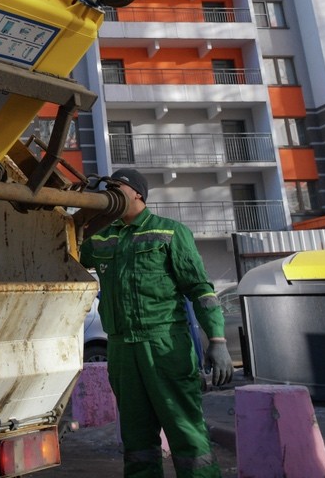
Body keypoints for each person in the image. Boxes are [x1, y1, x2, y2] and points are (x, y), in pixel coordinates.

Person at [79, 168, 234, 478]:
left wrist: (217, 340)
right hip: (122, 351)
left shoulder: (170, 232)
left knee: (185, 430)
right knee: (137, 440)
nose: (108, 191)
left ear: (137, 192)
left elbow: (200, 290)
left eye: (115, 186)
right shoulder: (101, 239)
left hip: (165, 346)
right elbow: (66, 252)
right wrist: (84, 211)